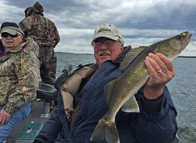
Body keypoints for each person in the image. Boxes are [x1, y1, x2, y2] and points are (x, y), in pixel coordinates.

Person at [34, 23, 178, 143]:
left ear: (122, 46)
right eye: (97, 43)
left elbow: (159, 137)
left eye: (109, 42)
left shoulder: (142, 76)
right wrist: (42, 137)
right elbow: (60, 114)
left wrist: (154, 93)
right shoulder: (82, 74)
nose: (102, 47)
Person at [0, 21, 40, 142]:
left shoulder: (26, 56)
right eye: (5, 35)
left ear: (21, 36)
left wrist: (8, 110)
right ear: (1, 36)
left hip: (12, 106)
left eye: (13, 35)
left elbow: (29, 87)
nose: (9, 38)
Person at [19, 1, 60, 110]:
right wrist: (49, 47)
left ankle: (26, 106)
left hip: (33, 51)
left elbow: (18, 38)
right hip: (49, 51)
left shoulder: (26, 21)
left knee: (29, 78)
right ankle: (49, 104)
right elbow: (57, 38)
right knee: (49, 79)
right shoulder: (50, 22)